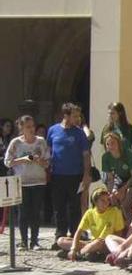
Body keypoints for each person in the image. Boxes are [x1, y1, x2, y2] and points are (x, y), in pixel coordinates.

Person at [47, 103, 92, 244]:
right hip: (57, 175)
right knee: (59, 207)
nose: (77, 118)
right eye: (75, 116)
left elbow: (86, 155)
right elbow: (48, 151)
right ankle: (59, 235)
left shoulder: (79, 133)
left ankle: (74, 235)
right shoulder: (53, 130)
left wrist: (86, 174)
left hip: (75, 175)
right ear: (66, 115)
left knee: (75, 207)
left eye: (78, 116)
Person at [4, 115, 50, 249]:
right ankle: (24, 241)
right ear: (22, 128)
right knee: (23, 213)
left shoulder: (41, 141)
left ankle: (34, 241)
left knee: (36, 212)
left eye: (33, 126)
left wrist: (39, 161)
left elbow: (47, 162)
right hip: (22, 182)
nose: (31, 129)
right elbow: (7, 162)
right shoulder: (16, 143)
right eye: (28, 127)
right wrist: (24, 159)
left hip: (38, 181)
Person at [55, 189, 124, 262]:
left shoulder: (115, 211)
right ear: (95, 202)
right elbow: (79, 231)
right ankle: (88, 252)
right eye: (102, 200)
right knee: (61, 240)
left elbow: (119, 232)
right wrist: (73, 248)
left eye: (107, 200)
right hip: (92, 242)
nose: (106, 203)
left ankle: (79, 254)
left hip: (106, 244)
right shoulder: (90, 213)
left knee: (98, 242)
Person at [101, 132, 132, 218]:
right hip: (119, 179)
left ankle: (129, 224)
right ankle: (119, 222)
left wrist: (122, 190)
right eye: (107, 144)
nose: (110, 146)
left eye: (113, 143)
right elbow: (110, 178)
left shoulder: (128, 154)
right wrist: (111, 192)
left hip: (131, 180)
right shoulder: (106, 157)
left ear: (118, 143)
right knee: (113, 198)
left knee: (126, 202)